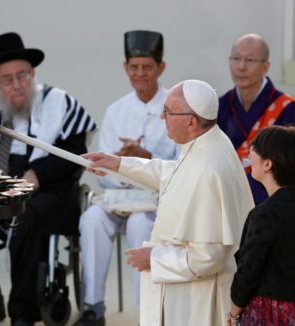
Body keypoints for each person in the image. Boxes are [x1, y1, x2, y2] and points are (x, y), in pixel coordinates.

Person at [0, 32, 97, 326]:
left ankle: (23, 311)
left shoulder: (59, 102)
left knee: (28, 214)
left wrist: (37, 174)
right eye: (7, 79)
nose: (17, 85)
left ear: (33, 73)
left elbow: (75, 151)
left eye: (23, 75)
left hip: (47, 191)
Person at [83, 80, 254, 326]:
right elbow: (172, 172)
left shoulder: (208, 169)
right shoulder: (208, 142)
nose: (162, 117)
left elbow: (210, 256)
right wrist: (118, 164)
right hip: (190, 293)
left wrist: (154, 259)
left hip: (197, 301)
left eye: (168, 112)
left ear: (191, 121)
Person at [74, 30, 177, 326]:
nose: (140, 73)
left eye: (147, 67)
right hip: (118, 198)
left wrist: (146, 160)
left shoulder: (176, 105)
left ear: (161, 67)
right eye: (134, 67)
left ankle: (147, 311)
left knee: (138, 225)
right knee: (91, 220)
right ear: (125, 68)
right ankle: (93, 307)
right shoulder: (116, 110)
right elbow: (102, 172)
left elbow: (182, 166)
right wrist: (120, 168)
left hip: (156, 203)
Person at [227, 126, 295, 325]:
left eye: (254, 149)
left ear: (267, 164)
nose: (249, 154)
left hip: (273, 314)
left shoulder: (265, 214)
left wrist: (234, 313)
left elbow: (248, 271)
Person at [217, 33, 295, 205]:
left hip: (272, 202)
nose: (241, 67)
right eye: (236, 58)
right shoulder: (220, 106)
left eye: (250, 60)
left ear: (266, 67)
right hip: (226, 196)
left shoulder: (288, 108)